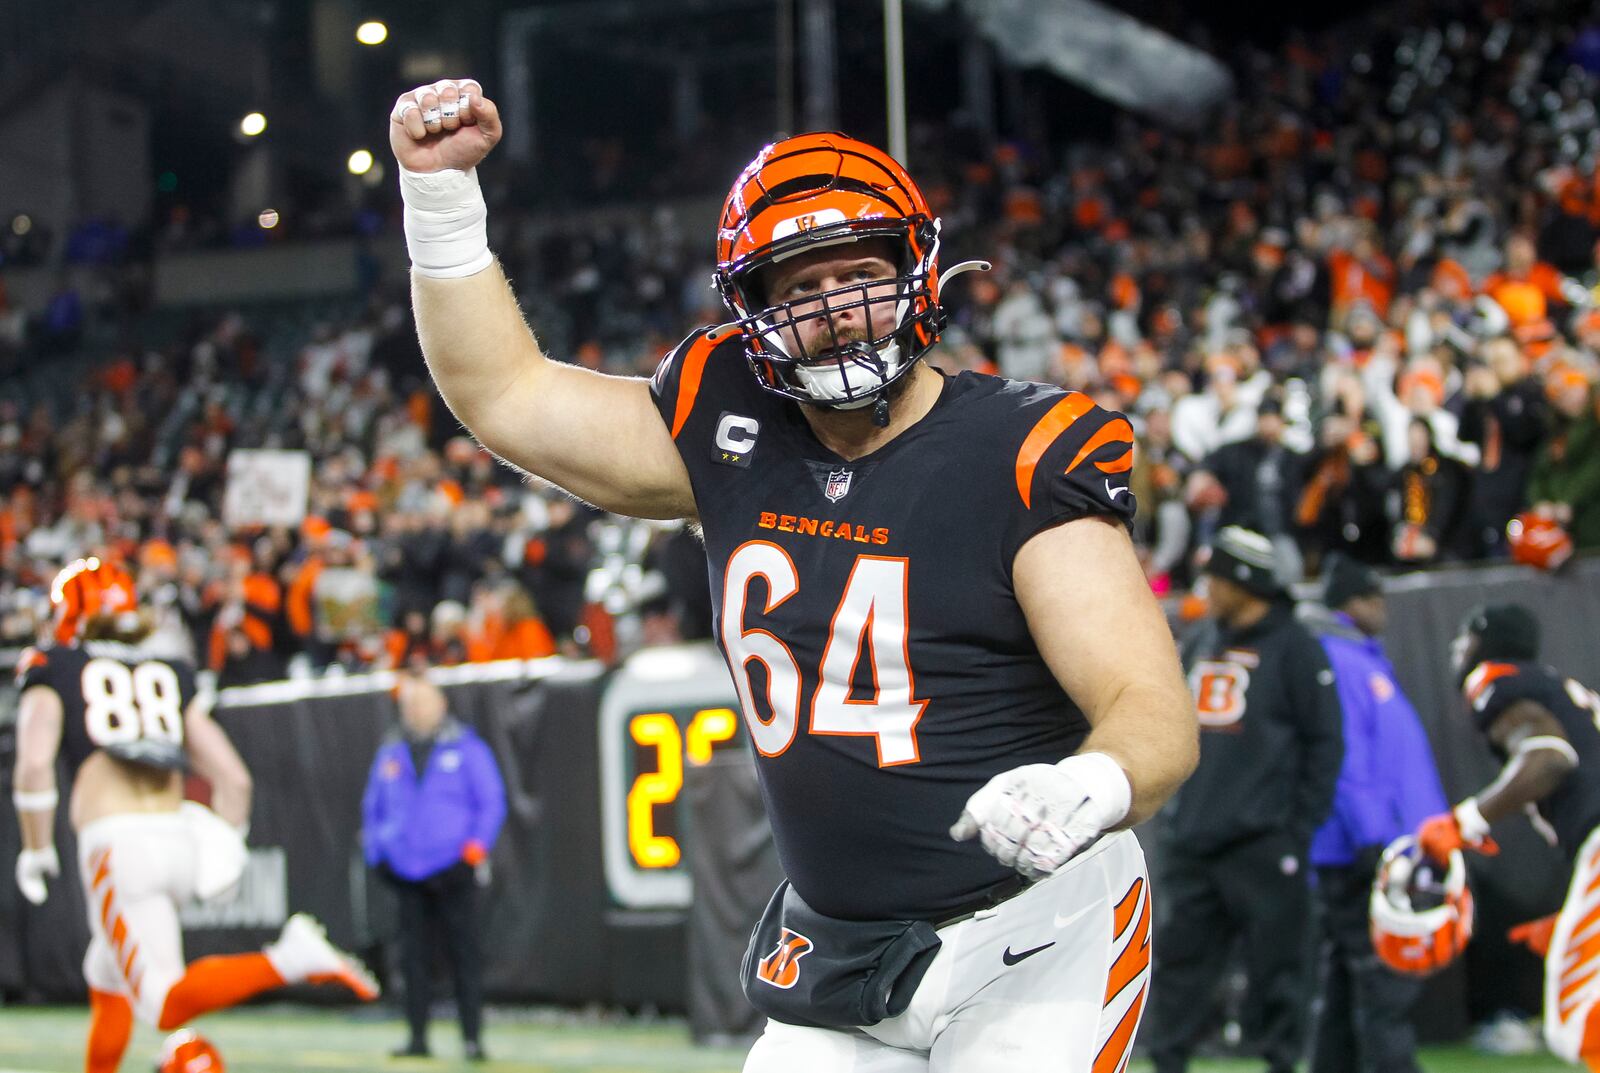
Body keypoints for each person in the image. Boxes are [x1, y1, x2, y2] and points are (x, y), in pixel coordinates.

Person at [389, 79, 1197, 1073]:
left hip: (1032, 936)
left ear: (915, 271)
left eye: (856, 273)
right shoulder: (728, 425)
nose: (834, 312)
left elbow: (1148, 704)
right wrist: (439, 199)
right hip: (839, 954)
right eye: (798, 290)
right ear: (753, 312)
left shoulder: (1018, 449)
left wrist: (1093, 777)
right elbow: (502, 392)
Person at [11, 557, 378, 1073]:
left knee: (162, 1003)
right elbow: (234, 779)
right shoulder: (168, 670)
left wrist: (36, 847)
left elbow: (32, 765)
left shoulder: (55, 665)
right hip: (177, 840)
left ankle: (289, 958)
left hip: (118, 845)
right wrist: (227, 846)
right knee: (106, 974)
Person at [1144, 526, 1343, 1073]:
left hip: (1262, 839)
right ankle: (1167, 1061)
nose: (1207, 587)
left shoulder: (1296, 649)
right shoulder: (1204, 640)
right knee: (1181, 967)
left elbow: (1326, 745)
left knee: (1280, 966)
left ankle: (1282, 1061)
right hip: (1196, 838)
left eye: (1217, 577)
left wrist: (1296, 832)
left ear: (1245, 582)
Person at [1416, 603, 1600, 1068]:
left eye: (1465, 638)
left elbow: (1549, 757)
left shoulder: (1494, 679)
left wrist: (1465, 822)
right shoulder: (1558, 688)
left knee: (1578, 1018)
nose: (1458, 649)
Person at [1304, 554, 1448, 1073]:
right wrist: (1373, 841)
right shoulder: (1339, 659)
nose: (1382, 608)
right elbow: (1346, 758)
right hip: (1365, 849)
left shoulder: (1360, 657)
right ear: (1350, 603)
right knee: (1384, 983)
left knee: (1347, 982)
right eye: (1373, 598)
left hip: (1378, 844)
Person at [362, 661, 506, 1061]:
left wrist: (472, 854)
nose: (417, 711)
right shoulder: (391, 752)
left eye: (423, 703)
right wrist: (380, 857)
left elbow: (491, 804)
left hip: (453, 871)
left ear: (441, 705)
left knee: (465, 955)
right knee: (412, 960)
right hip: (407, 872)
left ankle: (472, 1038)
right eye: (411, 704)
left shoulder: (467, 748)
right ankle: (417, 1037)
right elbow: (372, 809)